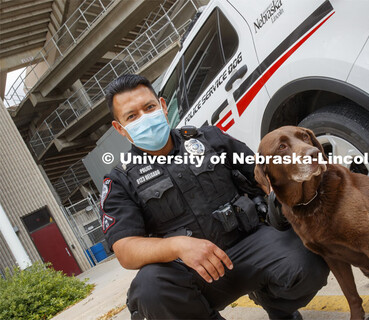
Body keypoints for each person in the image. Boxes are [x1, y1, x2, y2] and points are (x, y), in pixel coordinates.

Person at [101, 74, 329, 320]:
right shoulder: (120, 180)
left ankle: (274, 303)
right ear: (120, 128)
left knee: (308, 255)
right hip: (194, 273)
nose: (145, 118)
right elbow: (125, 248)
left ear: (163, 106)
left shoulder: (209, 139)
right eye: (132, 116)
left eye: (149, 107)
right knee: (149, 290)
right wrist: (177, 245)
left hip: (251, 246)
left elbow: (262, 176)